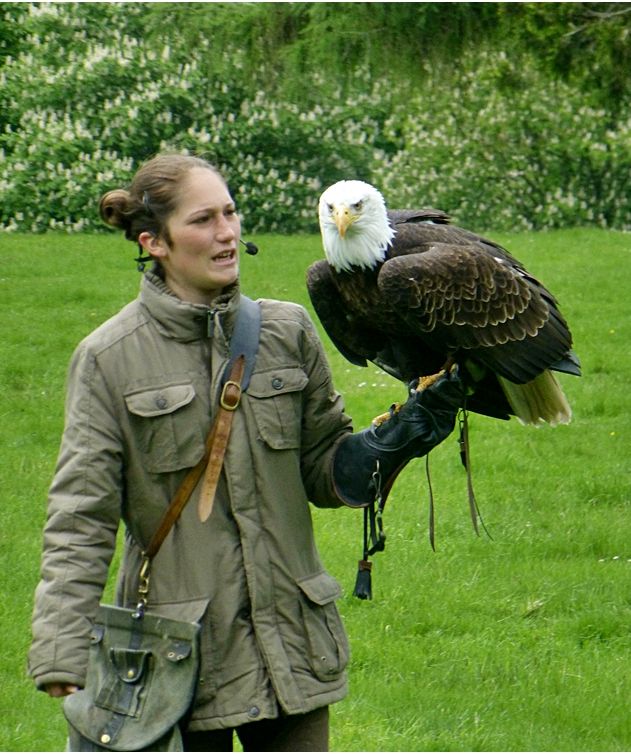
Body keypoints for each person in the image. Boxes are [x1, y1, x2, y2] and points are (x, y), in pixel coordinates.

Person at [27, 154, 464, 751]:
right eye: (203, 220)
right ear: (154, 241)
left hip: (292, 650)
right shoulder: (109, 358)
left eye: (230, 213)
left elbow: (325, 471)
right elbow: (80, 516)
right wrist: (62, 649)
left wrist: (402, 435)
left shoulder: (288, 332)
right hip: (178, 660)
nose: (227, 232)